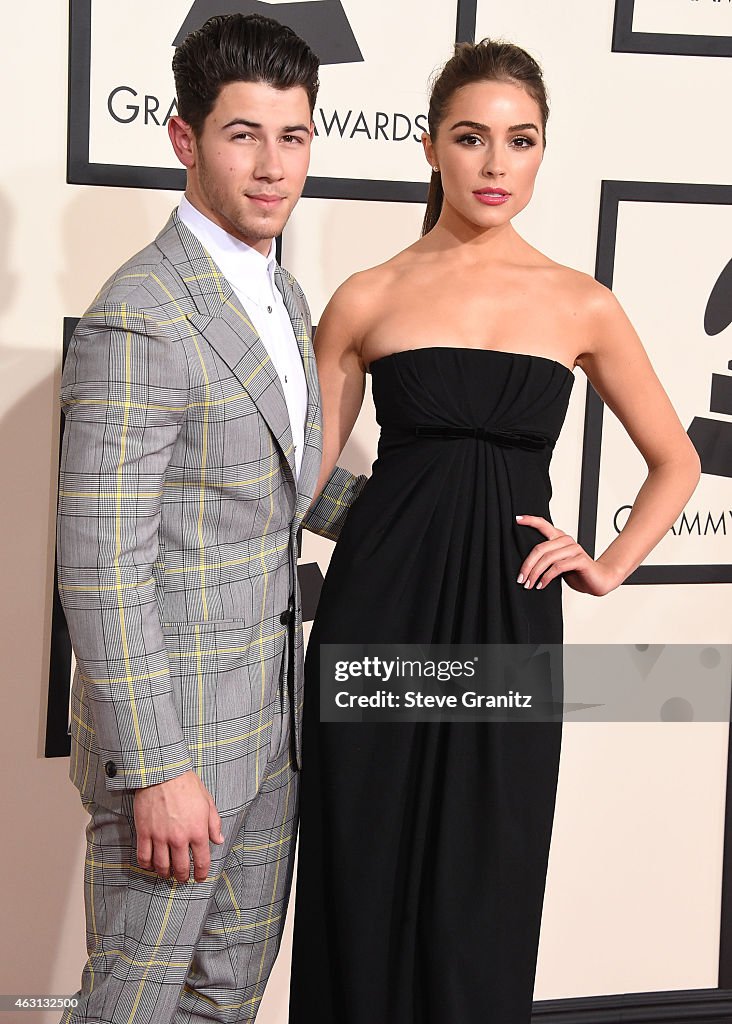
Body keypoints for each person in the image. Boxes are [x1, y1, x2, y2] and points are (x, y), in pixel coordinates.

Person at [288, 38, 702, 1024]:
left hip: (507, 621)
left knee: (487, 872)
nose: (495, 164)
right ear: (431, 146)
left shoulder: (580, 302)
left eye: (520, 141)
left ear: (543, 153)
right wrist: (377, 524)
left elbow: (677, 459)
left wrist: (606, 565)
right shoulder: (368, 296)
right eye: (472, 138)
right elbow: (299, 477)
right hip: (376, 615)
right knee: (365, 861)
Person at [57, 14, 324, 1023]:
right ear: (185, 138)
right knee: (132, 1006)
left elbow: (284, 483)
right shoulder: (144, 311)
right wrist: (157, 766)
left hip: (270, 732)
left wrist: (451, 509)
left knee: (227, 1002)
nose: (271, 166)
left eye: (291, 136)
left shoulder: (284, 293)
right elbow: (98, 563)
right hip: (175, 751)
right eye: (242, 134)